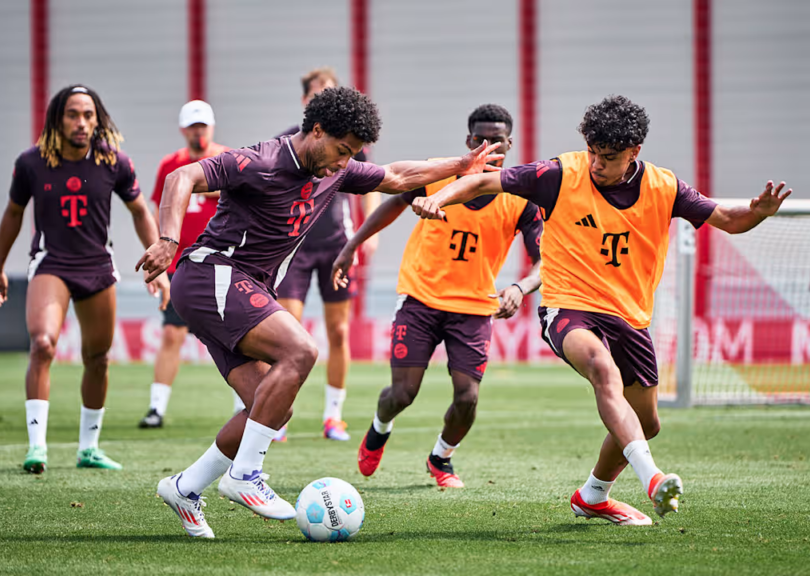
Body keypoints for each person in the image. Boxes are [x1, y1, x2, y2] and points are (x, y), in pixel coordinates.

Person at [137, 86, 503, 537]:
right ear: (315, 130)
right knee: (302, 351)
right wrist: (169, 239)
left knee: (271, 405)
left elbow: (397, 174)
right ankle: (244, 476)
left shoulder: (336, 168)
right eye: (340, 150)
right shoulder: (263, 160)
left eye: (351, 155)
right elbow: (181, 178)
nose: (341, 162)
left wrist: (460, 165)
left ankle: (185, 487)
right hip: (212, 272)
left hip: (238, 286)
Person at [409, 95, 790, 524]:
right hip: (568, 305)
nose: (595, 164)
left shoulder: (665, 187)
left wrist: (756, 214)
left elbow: (728, 218)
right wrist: (439, 197)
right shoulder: (559, 173)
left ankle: (592, 496)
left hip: (629, 316)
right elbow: (481, 182)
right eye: (591, 151)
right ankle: (653, 480)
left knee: (646, 423)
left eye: (607, 157)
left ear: (634, 153)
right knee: (602, 370)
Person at [333, 103, 542, 488]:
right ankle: (380, 429)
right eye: (479, 139)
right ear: (468, 140)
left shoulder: (522, 197)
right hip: (420, 298)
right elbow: (392, 202)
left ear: (509, 144)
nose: (487, 146)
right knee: (402, 393)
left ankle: (440, 457)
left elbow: (544, 262)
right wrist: (352, 248)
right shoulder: (438, 175)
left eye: (496, 140)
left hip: (475, 307)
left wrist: (519, 287)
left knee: (468, 398)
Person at [0, 85, 170, 474]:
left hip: (97, 269)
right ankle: (37, 447)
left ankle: (89, 449)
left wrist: (159, 262)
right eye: (73, 114)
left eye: (89, 115)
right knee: (42, 344)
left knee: (98, 359)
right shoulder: (31, 163)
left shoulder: (114, 162)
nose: (82, 122)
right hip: (51, 264)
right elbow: (13, 214)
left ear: (98, 119)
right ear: (57, 118)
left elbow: (140, 211)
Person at [271, 67, 380, 442]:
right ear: (306, 102)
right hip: (295, 247)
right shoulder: (287, 141)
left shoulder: (350, 142)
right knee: (288, 332)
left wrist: (370, 231)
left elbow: (376, 181)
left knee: (338, 331)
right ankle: (278, 414)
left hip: (336, 243)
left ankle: (333, 416)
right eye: (318, 95)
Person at [139, 101, 230, 428]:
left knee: (234, 335)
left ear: (212, 127)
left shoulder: (226, 160)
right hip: (180, 264)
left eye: (203, 125)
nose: (198, 132)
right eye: (193, 126)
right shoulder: (170, 165)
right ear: (183, 129)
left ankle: (245, 406)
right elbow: (156, 211)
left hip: (220, 261)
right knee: (172, 333)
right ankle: (156, 408)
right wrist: (155, 254)